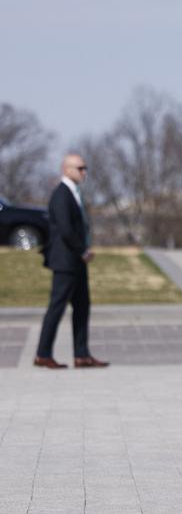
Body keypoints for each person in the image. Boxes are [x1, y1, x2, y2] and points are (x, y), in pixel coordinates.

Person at [34, 154, 109, 369]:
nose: (84, 172)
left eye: (85, 168)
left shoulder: (75, 193)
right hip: (65, 261)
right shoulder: (61, 194)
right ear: (66, 169)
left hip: (77, 262)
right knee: (57, 307)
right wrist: (82, 250)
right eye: (80, 168)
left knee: (82, 306)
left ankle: (81, 355)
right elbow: (65, 229)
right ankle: (43, 354)